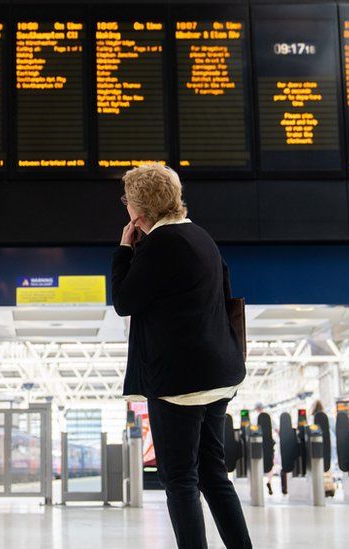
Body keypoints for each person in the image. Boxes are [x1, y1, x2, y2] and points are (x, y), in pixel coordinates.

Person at [111, 164, 251, 549]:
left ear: (139, 209)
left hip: (179, 383)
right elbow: (222, 293)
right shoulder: (201, 237)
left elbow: (123, 300)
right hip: (220, 374)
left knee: (180, 480)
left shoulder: (161, 245)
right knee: (213, 474)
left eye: (127, 200)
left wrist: (125, 249)